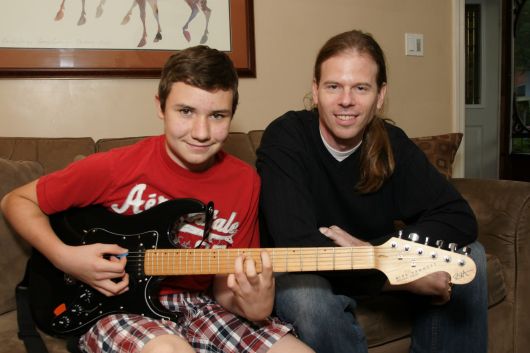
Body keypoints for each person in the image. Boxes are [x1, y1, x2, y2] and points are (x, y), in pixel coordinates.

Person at [1, 45, 313, 353]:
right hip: (117, 306)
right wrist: (65, 257)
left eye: (218, 115)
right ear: (160, 107)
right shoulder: (115, 167)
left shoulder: (245, 182)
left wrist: (255, 306)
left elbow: (224, 289)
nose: (201, 132)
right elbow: (16, 201)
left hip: (198, 305)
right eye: (186, 111)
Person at [256, 30, 488, 353]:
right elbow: (299, 248)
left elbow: (460, 218)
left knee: (469, 256)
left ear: (380, 96)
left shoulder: (392, 143)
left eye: (360, 88)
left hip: (366, 261)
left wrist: (372, 251)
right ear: (315, 90)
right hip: (306, 273)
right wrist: (396, 276)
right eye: (333, 86)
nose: (346, 100)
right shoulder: (286, 138)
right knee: (304, 295)